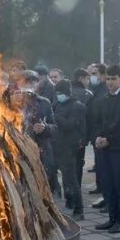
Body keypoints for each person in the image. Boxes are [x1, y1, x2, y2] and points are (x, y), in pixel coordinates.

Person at [93, 65, 120, 234]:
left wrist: (108, 139)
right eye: (108, 79)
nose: (110, 82)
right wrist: (97, 136)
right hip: (104, 150)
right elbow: (98, 122)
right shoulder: (104, 99)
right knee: (108, 185)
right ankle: (112, 218)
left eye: (114, 79)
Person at [14, 70, 58, 195]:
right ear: (19, 83)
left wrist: (45, 128)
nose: (29, 86)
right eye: (25, 82)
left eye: (32, 83)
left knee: (41, 187)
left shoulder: (44, 102)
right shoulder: (10, 102)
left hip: (40, 150)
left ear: (37, 84)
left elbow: (54, 127)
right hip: (17, 151)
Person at [52, 80, 87, 221]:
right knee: (63, 179)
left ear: (67, 92)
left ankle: (79, 210)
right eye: (57, 93)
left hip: (70, 148)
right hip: (57, 146)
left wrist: (56, 117)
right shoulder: (58, 104)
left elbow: (70, 125)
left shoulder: (77, 106)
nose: (58, 95)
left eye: (60, 93)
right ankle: (69, 201)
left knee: (72, 180)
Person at [86, 63, 108, 204]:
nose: (92, 77)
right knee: (99, 163)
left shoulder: (104, 90)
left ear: (103, 75)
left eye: (94, 74)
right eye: (90, 74)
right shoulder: (94, 89)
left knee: (104, 164)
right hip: (95, 132)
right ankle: (101, 188)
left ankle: (107, 196)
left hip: (102, 133)